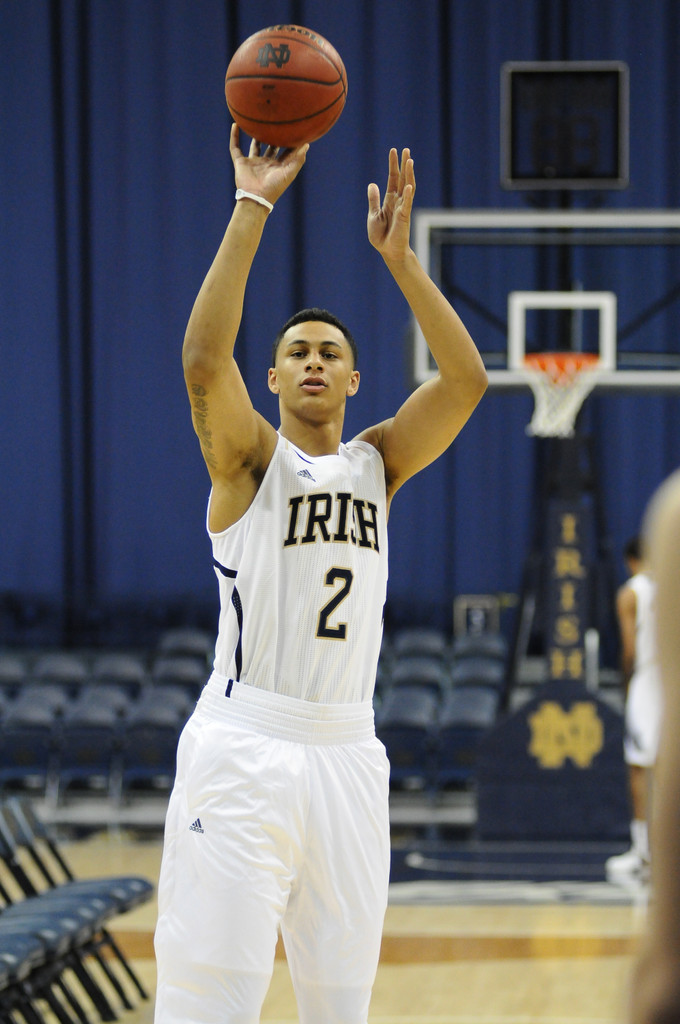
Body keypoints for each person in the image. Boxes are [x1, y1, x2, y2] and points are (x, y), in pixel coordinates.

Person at [153, 124, 487, 1024]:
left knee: (341, 1011)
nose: (311, 360)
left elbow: (465, 384)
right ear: (270, 378)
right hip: (245, 747)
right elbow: (198, 362)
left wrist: (403, 264)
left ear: (352, 380)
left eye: (328, 354)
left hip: (348, 753)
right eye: (295, 352)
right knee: (207, 1006)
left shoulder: (379, 464)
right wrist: (252, 204)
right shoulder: (249, 465)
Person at [629, 469, 680, 1024]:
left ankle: (643, 850)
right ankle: (640, 850)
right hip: (655, 677)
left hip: (651, 679)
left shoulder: (674, 518)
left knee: (648, 768)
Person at [606, 535, 662, 882]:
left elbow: (629, 649)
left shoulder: (631, 592)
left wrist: (628, 681)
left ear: (630, 561)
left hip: (649, 681)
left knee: (640, 767)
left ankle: (644, 852)